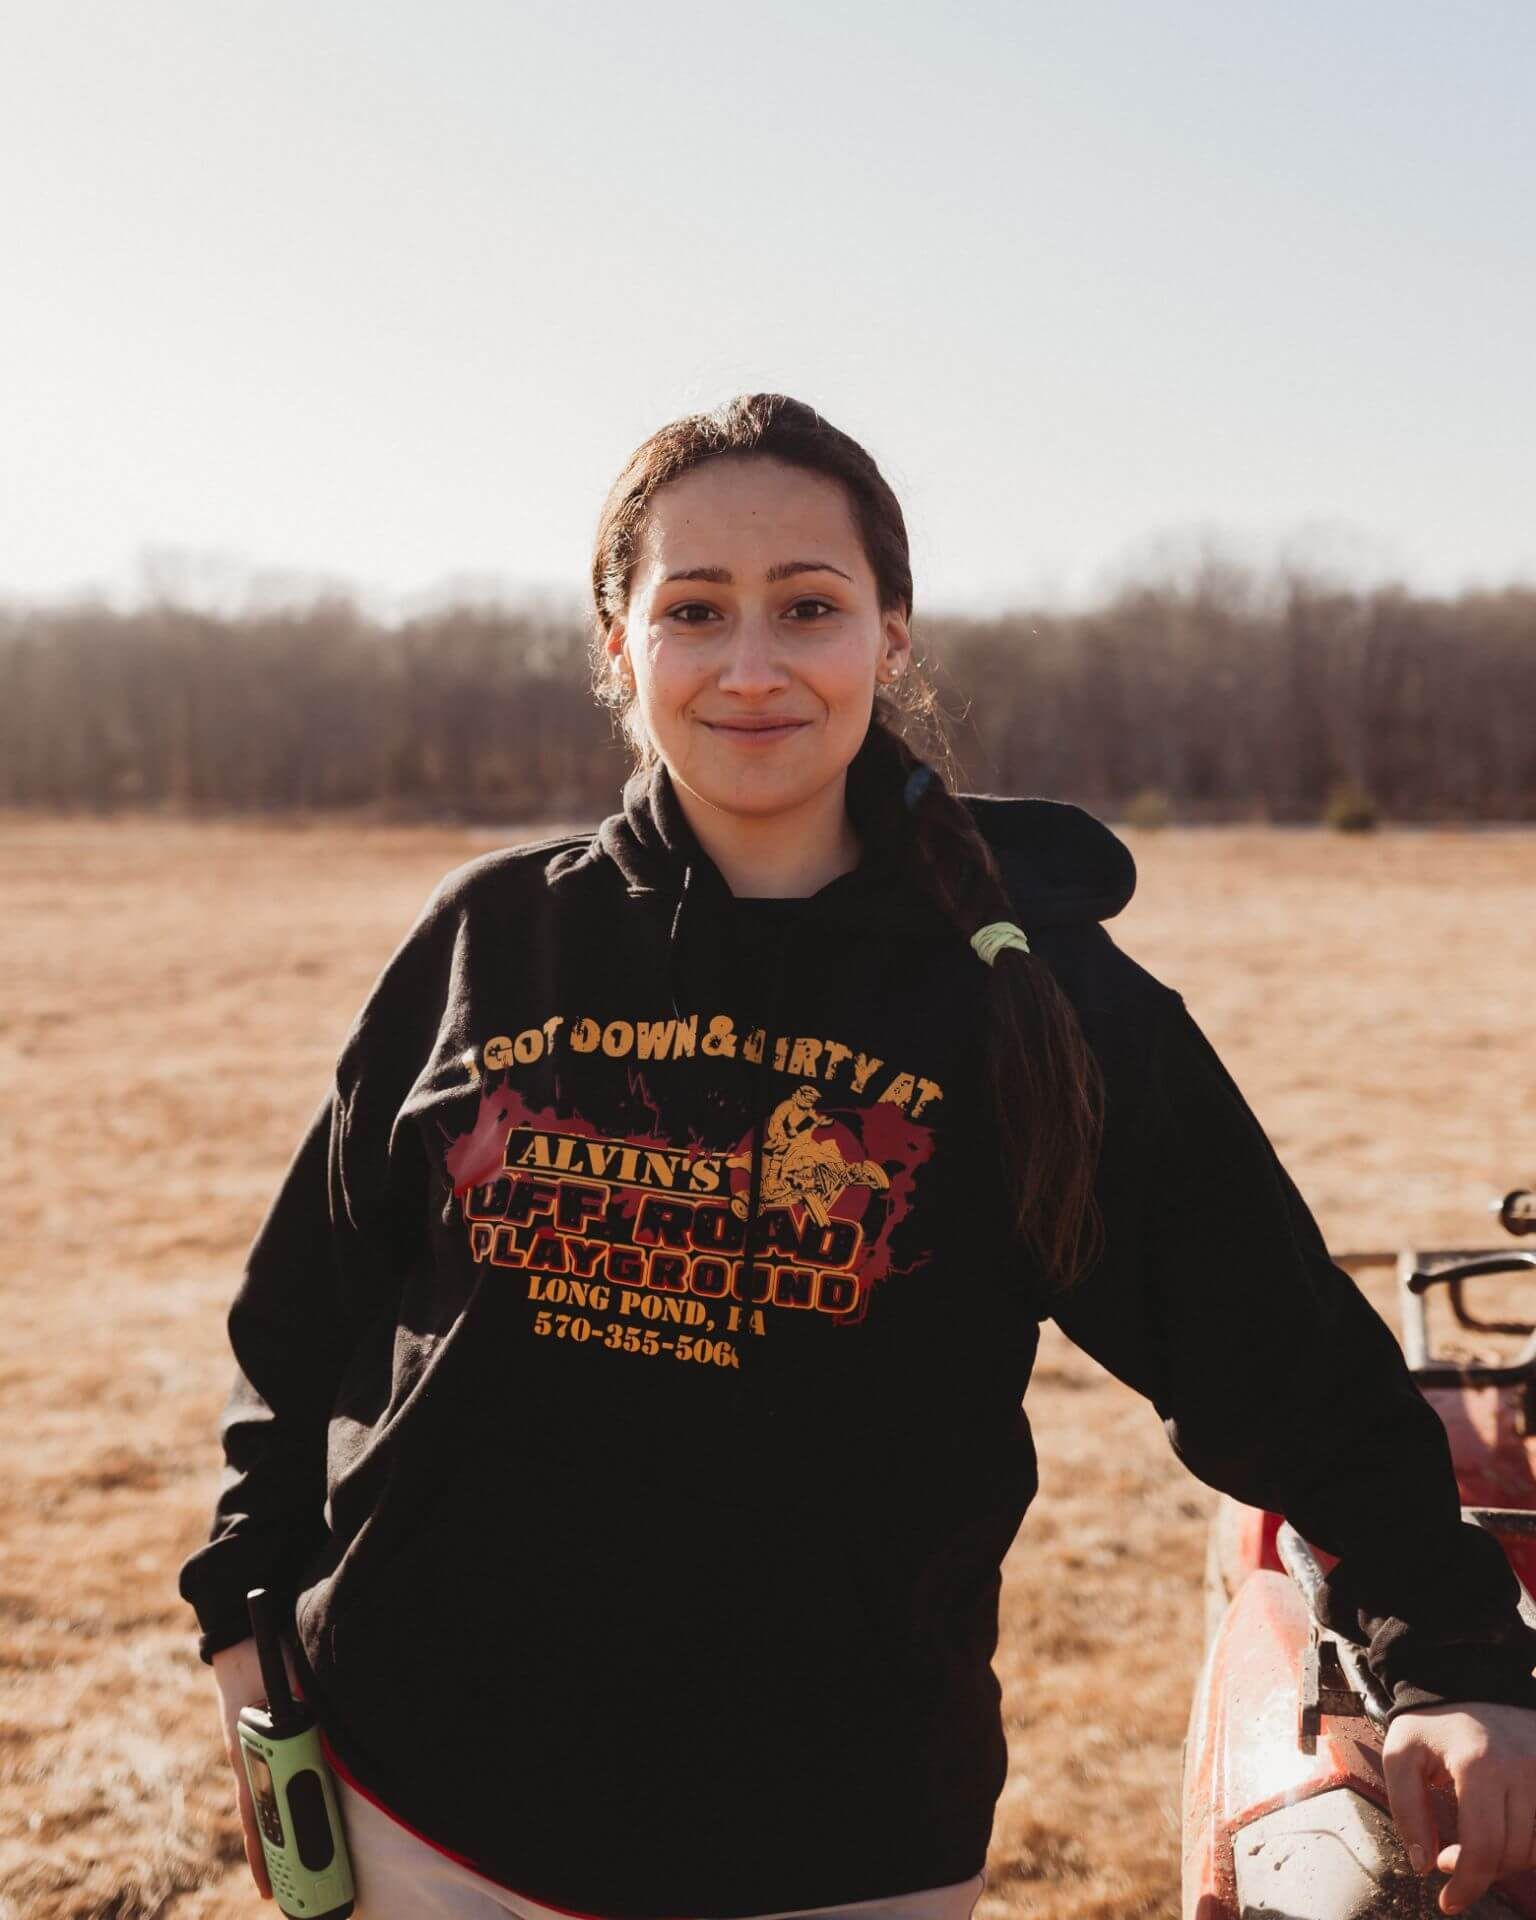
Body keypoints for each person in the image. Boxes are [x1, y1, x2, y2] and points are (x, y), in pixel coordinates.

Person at [179, 392, 1536, 1920]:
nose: (751, 664)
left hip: (836, 1844)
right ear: (618, 649)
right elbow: (301, 1323)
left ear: (890, 636)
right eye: (694, 610)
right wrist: (246, 1617)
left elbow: (1273, 1352)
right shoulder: (495, 938)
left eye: (807, 606)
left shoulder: (1033, 989)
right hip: (422, 1810)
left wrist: (1465, 1660)